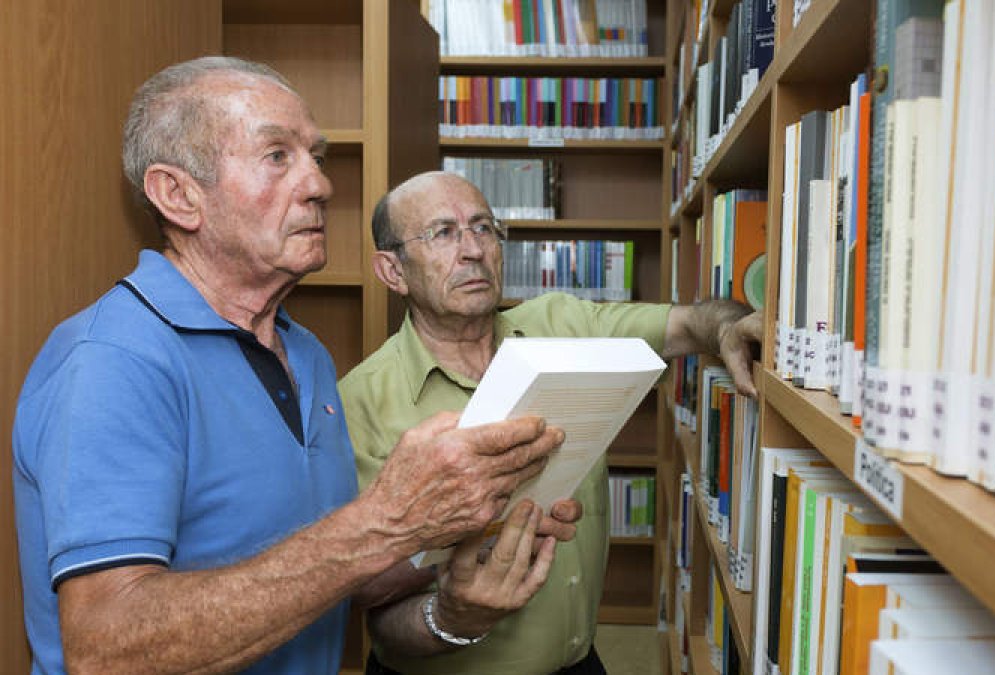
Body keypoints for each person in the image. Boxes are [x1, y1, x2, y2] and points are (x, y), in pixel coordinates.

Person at [12, 57, 580, 675]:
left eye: (317, 155)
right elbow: (105, 648)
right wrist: (385, 524)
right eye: (277, 156)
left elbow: (322, 574)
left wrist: (463, 540)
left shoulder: (305, 355)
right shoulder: (110, 362)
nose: (320, 185)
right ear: (177, 195)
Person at [339, 170, 762, 674]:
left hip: (581, 664)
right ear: (393, 271)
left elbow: (691, 323)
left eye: (483, 227)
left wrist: (730, 327)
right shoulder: (359, 400)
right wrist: (468, 537)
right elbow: (367, 598)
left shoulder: (564, 326)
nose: (473, 249)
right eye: (443, 233)